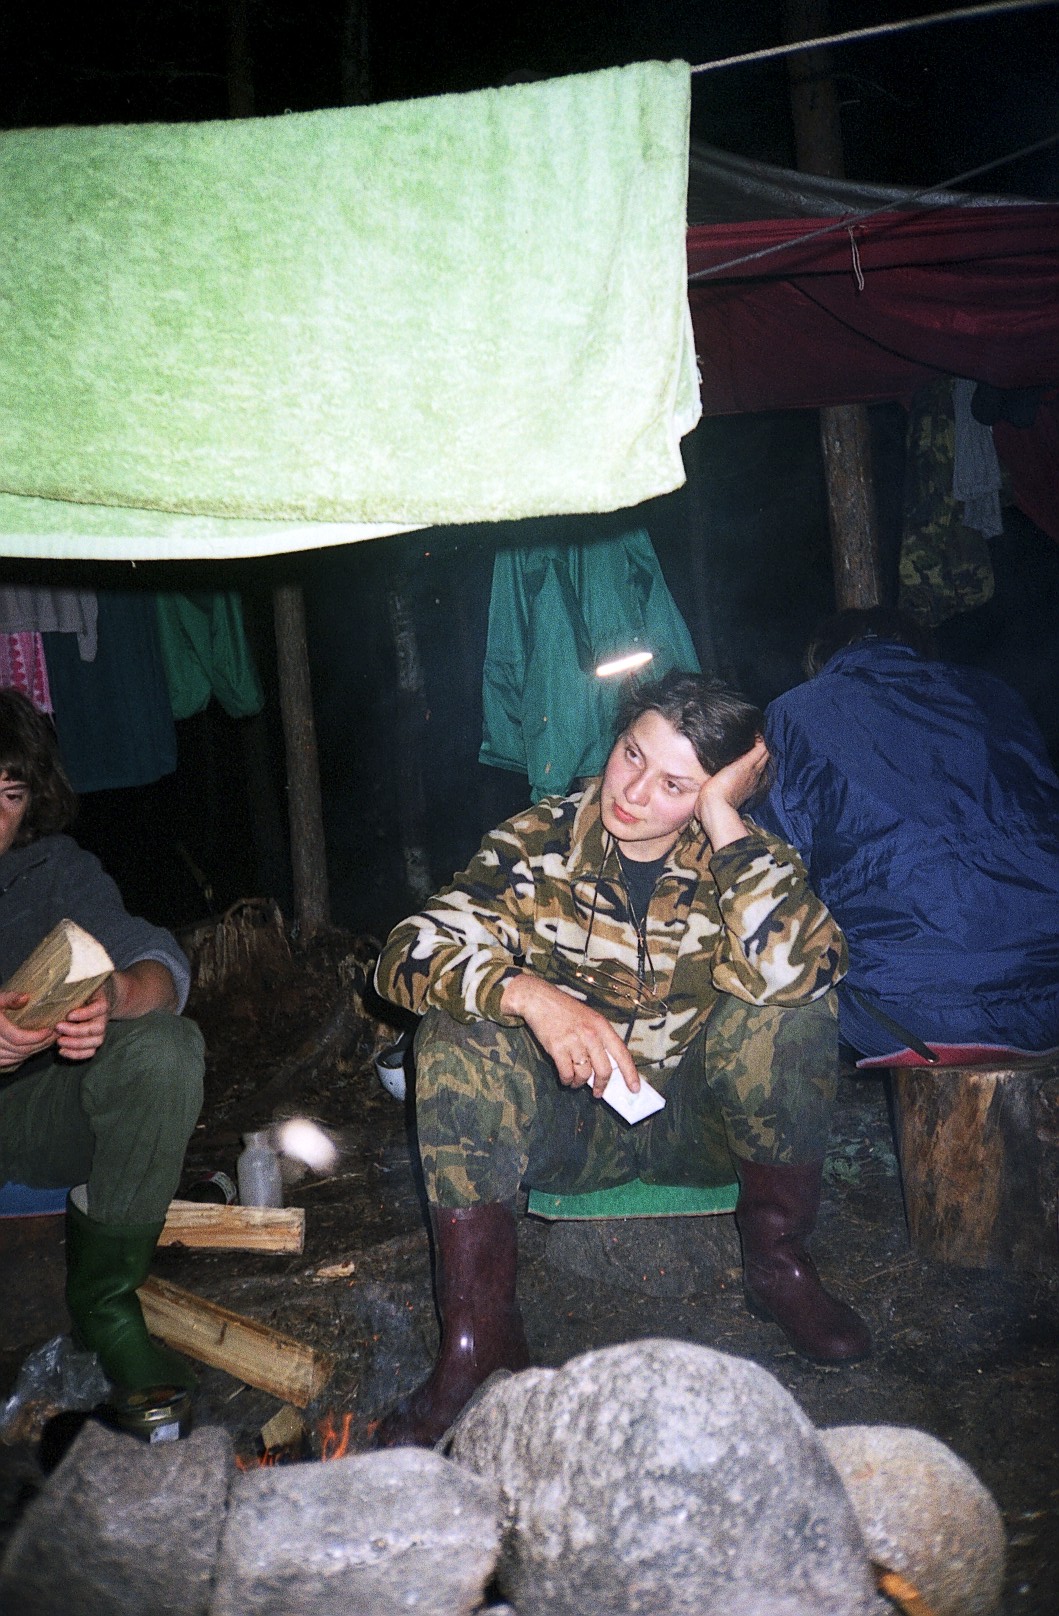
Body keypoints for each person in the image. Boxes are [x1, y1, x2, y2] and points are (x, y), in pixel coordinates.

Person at [373, 670, 870, 1448]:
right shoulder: (538, 842)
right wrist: (529, 995)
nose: (633, 793)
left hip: (705, 1132)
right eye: (631, 754)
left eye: (676, 784)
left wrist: (721, 818)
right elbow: (403, 954)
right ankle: (479, 1334)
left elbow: (805, 971)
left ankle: (778, 1266)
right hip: (571, 1130)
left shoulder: (744, 857)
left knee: (791, 1007)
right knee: (458, 1027)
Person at [0, 690, 205, 1392]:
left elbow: (159, 962)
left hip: (35, 1116)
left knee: (165, 1047)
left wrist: (113, 996)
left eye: (11, 796)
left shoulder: (51, 869)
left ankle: (106, 1305)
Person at [755, 607, 1059, 1065]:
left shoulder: (796, 712)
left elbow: (772, 862)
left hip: (914, 1017)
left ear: (824, 656)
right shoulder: (996, 695)